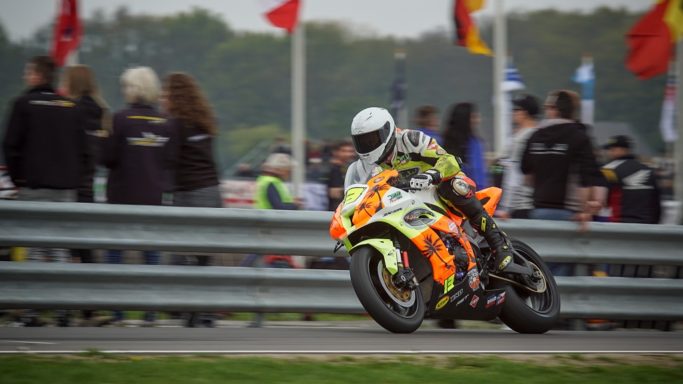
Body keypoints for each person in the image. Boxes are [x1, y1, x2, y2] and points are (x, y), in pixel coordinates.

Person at [345, 107, 513, 274]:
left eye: (371, 139)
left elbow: (449, 159)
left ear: (386, 131)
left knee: (453, 186)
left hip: (434, 189)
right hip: (400, 204)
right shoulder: (364, 167)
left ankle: (498, 243)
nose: (367, 145)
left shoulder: (410, 139)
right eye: (362, 141)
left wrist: (433, 174)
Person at [2, 55, 89, 327]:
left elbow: (10, 146)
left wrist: (19, 180)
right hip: (65, 189)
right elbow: (86, 151)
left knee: (36, 249)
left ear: (39, 75)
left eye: (28, 72)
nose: (26, 77)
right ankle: (63, 310)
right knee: (60, 249)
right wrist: (76, 178)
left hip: (34, 186)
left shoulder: (23, 104)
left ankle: (32, 312)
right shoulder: (71, 107)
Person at [101, 66, 176, 326]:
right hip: (153, 196)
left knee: (116, 255)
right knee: (151, 255)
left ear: (133, 89)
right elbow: (169, 160)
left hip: (122, 196)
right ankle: (150, 312)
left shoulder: (119, 119)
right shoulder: (165, 122)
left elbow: (107, 158)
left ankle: (118, 312)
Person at [521, 90, 606, 276]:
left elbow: (526, 172)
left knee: (541, 270)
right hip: (568, 214)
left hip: (539, 210)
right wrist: (586, 210)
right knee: (562, 274)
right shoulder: (579, 136)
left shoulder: (534, 136)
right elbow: (588, 176)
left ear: (554, 110)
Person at [161, 71, 222, 327]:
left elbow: (169, 161)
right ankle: (203, 312)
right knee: (203, 257)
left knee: (183, 255)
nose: (163, 97)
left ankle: (189, 310)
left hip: (189, 194)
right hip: (211, 191)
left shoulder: (174, 125)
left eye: (166, 93)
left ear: (174, 96)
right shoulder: (204, 122)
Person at [61, 64, 111, 326]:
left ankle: (64, 308)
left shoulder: (70, 111)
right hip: (89, 187)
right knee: (87, 250)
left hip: (69, 186)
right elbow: (103, 153)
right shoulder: (102, 111)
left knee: (64, 249)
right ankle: (89, 309)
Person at [601, 135, 661, 224]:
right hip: (647, 225)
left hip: (620, 225)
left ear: (621, 150)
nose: (609, 152)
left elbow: (603, 200)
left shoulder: (608, 170)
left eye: (612, 149)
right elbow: (656, 203)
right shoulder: (647, 170)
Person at [497, 94, 540, 219]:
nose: (513, 112)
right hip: (534, 202)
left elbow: (514, 175)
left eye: (516, 109)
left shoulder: (522, 138)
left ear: (525, 113)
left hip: (518, 205)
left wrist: (506, 208)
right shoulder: (539, 134)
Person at [442, 102, 488, 188]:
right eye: (473, 117)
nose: (478, 120)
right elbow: (478, 173)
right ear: (464, 119)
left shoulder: (474, 141)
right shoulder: (473, 143)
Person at [325, 139, 356, 211]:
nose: (348, 154)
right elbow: (334, 193)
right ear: (335, 152)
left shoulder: (351, 168)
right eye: (344, 151)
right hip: (335, 211)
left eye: (351, 151)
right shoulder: (333, 169)